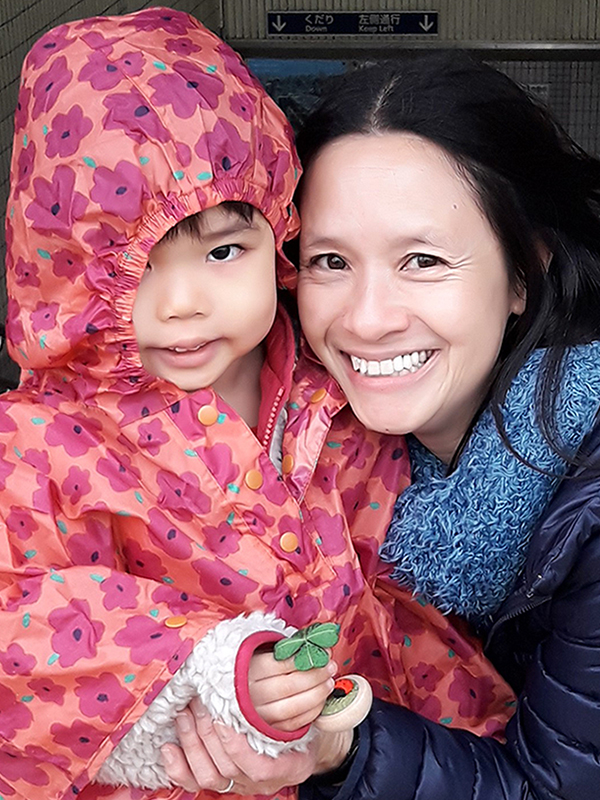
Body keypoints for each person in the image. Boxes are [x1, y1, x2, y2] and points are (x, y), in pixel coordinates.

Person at [1, 15, 514, 800]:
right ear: (64, 268)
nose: (183, 303)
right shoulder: (41, 445)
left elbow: (398, 598)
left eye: (222, 251)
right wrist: (202, 663)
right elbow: (17, 617)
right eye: (135, 263)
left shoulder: (334, 395)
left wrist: (460, 731)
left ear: (278, 230)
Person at [160, 54, 600, 800]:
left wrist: (343, 748)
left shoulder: (586, 507)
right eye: (331, 261)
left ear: (525, 270)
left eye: (422, 261)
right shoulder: (327, 445)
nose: (366, 320)